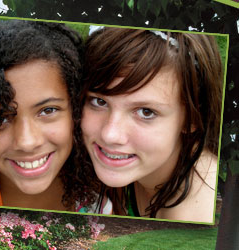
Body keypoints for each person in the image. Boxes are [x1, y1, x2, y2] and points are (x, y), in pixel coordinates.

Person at [0, 18, 103, 212]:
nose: (27, 142)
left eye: (48, 110)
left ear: (76, 111)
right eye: (0, 117)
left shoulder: (114, 199)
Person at [80, 27, 223, 222]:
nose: (110, 135)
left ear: (193, 118)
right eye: (99, 101)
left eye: (146, 112)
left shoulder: (192, 217)